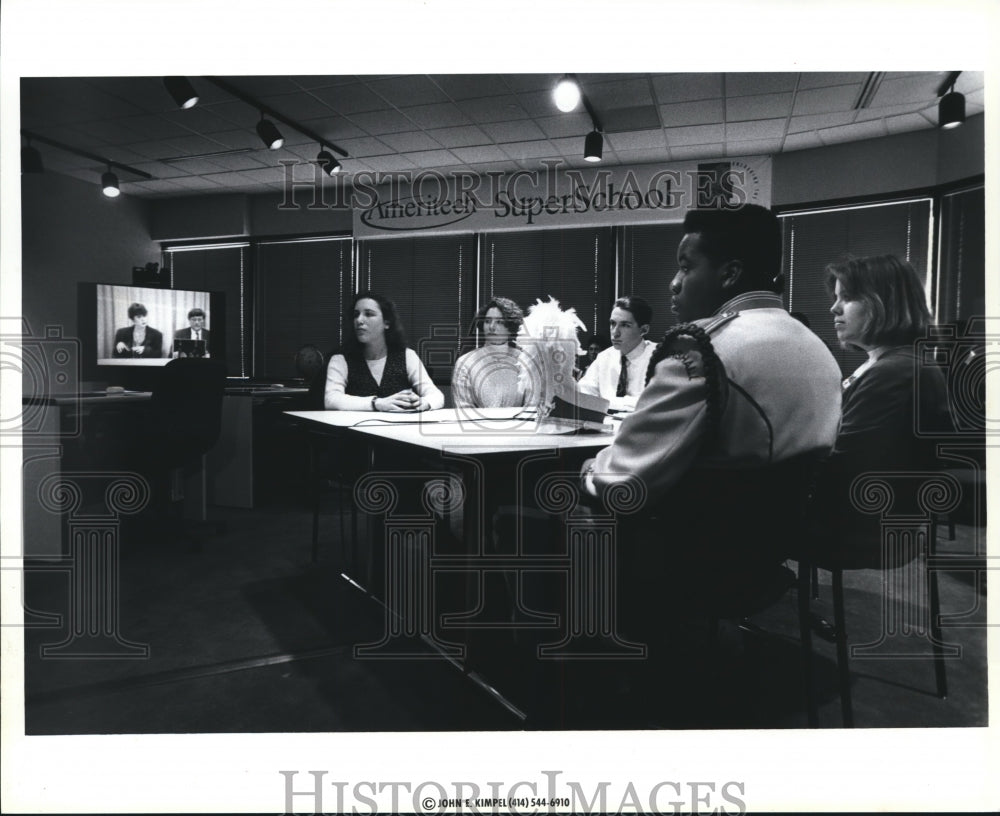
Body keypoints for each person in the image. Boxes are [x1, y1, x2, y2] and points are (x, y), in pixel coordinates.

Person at [578, 204, 843, 610]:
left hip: (687, 560)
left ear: (730, 274)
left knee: (523, 518)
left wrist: (590, 469)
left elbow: (623, 485)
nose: (673, 283)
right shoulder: (816, 347)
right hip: (765, 554)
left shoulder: (701, 349)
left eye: (686, 267)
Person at [819, 254, 951, 565]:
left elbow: (843, 466)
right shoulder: (893, 362)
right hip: (875, 518)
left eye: (848, 298)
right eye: (836, 297)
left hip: (863, 529)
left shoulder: (896, 371)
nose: (833, 308)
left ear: (884, 302)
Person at [324, 292, 444, 412]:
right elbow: (331, 399)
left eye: (368, 314)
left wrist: (425, 403)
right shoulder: (340, 359)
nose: (359, 320)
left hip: (396, 429)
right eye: (356, 315)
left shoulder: (407, 355)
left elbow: (437, 396)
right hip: (353, 428)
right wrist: (376, 403)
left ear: (387, 323)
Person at [577, 295, 655, 412]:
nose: (615, 333)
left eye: (625, 325)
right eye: (613, 323)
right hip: (604, 429)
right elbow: (583, 396)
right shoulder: (604, 358)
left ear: (644, 330)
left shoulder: (659, 358)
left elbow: (652, 403)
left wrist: (605, 402)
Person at [452, 297, 529, 409]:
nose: (491, 327)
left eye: (499, 322)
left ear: (511, 327)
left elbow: (532, 406)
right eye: (487, 321)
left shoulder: (525, 361)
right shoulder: (465, 363)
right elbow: (464, 410)